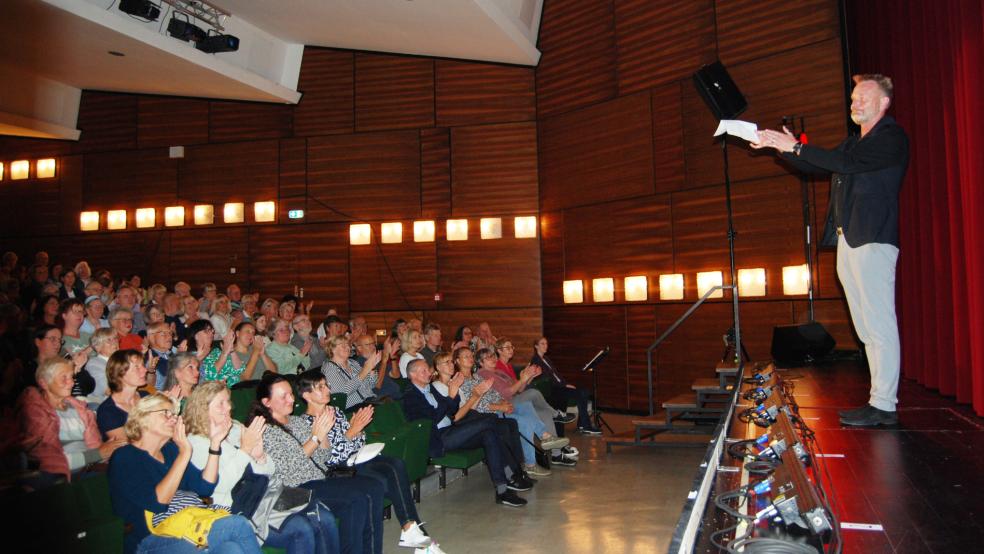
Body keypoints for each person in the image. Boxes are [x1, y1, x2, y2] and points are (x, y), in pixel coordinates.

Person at [753, 74, 909, 427]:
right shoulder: (854, 143)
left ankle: (884, 405)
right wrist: (784, 147)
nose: (855, 103)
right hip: (849, 239)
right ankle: (878, 401)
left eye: (863, 97)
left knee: (879, 324)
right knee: (866, 328)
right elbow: (816, 164)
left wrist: (796, 147)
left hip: (872, 237)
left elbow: (844, 165)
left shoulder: (891, 137)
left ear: (883, 103)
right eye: (853, 98)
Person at [184, 382, 340, 554]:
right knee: (301, 528)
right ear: (202, 408)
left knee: (323, 517)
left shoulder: (235, 427)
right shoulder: (196, 442)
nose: (228, 407)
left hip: (265, 496)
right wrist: (244, 451)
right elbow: (219, 486)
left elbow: (269, 471)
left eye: (228, 401)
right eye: (221, 403)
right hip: (237, 508)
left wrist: (260, 457)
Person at [295, 370, 438, 552]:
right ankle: (412, 528)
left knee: (396, 464)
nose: (327, 390)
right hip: (338, 469)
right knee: (384, 479)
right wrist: (351, 433)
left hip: (356, 458)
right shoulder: (305, 423)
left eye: (326, 385)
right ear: (307, 395)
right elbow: (328, 459)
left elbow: (357, 442)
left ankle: (410, 527)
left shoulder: (335, 412)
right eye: (320, 387)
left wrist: (358, 431)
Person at [107, 393, 261, 554]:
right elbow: (158, 502)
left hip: (188, 527)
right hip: (149, 539)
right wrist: (184, 453)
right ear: (142, 417)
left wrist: (215, 444)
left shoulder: (170, 450)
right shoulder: (125, 457)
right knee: (238, 524)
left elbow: (205, 488)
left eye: (174, 414)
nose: (173, 418)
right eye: (165, 413)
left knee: (232, 549)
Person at [251, 372, 384, 554]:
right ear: (267, 402)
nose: (291, 399)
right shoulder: (265, 430)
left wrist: (324, 434)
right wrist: (316, 437)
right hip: (296, 488)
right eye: (284, 396)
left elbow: (323, 458)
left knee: (374, 487)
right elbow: (289, 470)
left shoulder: (296, 422)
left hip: (320, 478)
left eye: (291, 394)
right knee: (355, 499)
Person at [402, 358, 530, 507]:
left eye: (427, 369)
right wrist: (451, 396)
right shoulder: (411, 396)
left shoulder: (429, 389)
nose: (428, 373)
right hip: (438, 439)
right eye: (423, 371)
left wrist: (454, 393)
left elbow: (451, 411)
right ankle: (514, 473)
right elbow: (432, 419)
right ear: (413, 375)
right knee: (489, 422)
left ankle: (502, 490)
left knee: (488, 434)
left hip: (451, 430)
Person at [452, 348, 566, 474]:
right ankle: (530, 464)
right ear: (457, 361)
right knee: (524, 422)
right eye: (465, 356)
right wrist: (500, 406)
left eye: (470, 355)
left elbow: (494, 394)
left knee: (526, 406)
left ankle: (545, 436)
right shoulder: (460, 381)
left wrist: (503, 402)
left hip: (500, 406)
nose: (470, 358)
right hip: (487, 414)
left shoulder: (476, 377)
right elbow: (475, 406)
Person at [18, 358, 125, 487]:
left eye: (72, 377)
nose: (71, 383)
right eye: (64, 378)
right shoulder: (35, 414)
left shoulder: (78, 409)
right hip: (61, 477)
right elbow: (46, 461)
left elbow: (96, 447)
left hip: (88, 468)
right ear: (44, 383)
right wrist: (98, 454)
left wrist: (109, 449)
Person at [531, 336, 601, 435]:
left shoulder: (546, 358)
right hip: (552, 390)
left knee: (584, 391)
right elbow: (547, 379)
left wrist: (566, 384)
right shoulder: (536, 360)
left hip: (559, 387)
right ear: (536, 346)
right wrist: (563, 385)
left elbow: (556, 375)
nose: (545, 346)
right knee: (581, 393)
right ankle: (585, 426)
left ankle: (582, 425)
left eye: (546, 343)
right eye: (542, 344)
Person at [97, 349, 149, 441]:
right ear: (120, 373)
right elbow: (128, 447)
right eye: (137, 367)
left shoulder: (146, 396)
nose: (145, 370)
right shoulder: (108, 411)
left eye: (143, 365)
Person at [201, 321, 271, 386]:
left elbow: (240, 370)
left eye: (253, 333)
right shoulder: (216, 353)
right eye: (206, 331)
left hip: (242, 388)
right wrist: (225, 353)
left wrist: (232, 351)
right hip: (233, 390)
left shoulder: (219, 351)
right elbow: (209, 375)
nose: (211, 334)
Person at [321, 336, 380, 410]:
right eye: (343, 345)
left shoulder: (353, 363)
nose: (348, 347)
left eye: (348, 345)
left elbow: (371, 385)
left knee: (389, 402)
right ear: (332, 349)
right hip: (353, 408)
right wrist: (365, 370)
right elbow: (342, 392)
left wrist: (372, 368)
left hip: (370, 401)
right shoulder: (330, 368)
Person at [352, 334, 403, 400]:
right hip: (383, 400)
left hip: (397, 395)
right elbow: (377, 386)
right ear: (359, 348)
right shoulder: (359, 363)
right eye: (368, 345)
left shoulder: (377, 360)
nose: (373, 347)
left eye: (373, 344)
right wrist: (384, 361)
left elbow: (396, 375)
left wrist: (392, 356)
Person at [85, 328, 119, 405]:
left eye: (115, 338)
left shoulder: (122, 360)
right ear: (97, 347)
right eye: (108, 340)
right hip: (103, 404)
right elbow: (108, 391)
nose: (114, 342)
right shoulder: (94, 363)